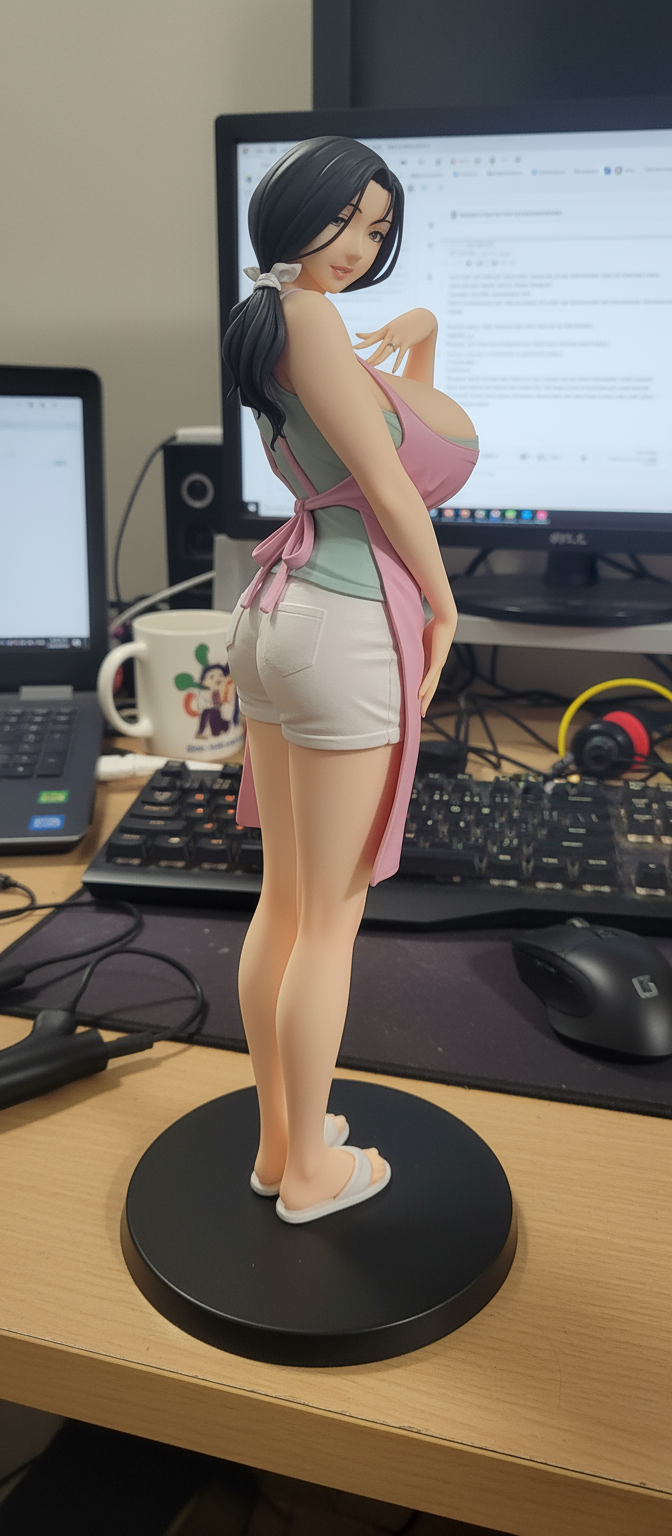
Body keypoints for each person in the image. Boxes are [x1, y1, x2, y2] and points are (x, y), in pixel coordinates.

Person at [222, 137, 478, 1224]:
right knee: (327, 921)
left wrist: (422, 338)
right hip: (343, 623)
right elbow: (388, 479)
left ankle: (281, 1146)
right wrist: (445, 600)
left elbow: (386, 436)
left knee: (286, 903)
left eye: (377, 228)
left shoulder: (268, 318)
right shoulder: (309, 317)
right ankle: (309, 1180)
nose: (360, 244)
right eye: (346, 219)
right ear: (294, 210)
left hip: (276, 616)